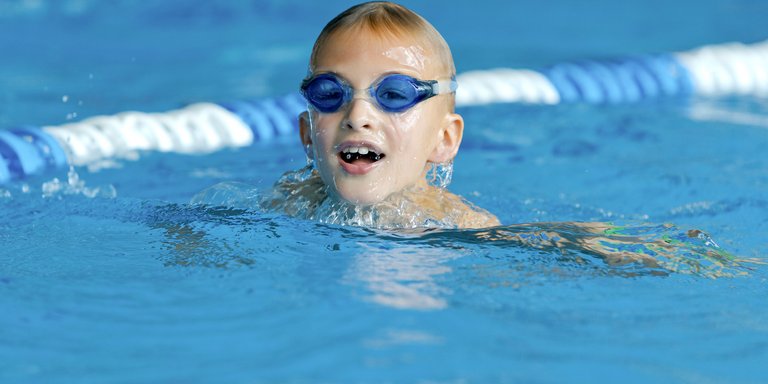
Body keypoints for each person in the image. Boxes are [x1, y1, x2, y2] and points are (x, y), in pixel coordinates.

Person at [260, 1, 500, 229]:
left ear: (444, 139)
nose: (357, 116)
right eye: (330, 92)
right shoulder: (289, 203)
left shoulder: (462, 226)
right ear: (308, 135)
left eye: (394, 95)